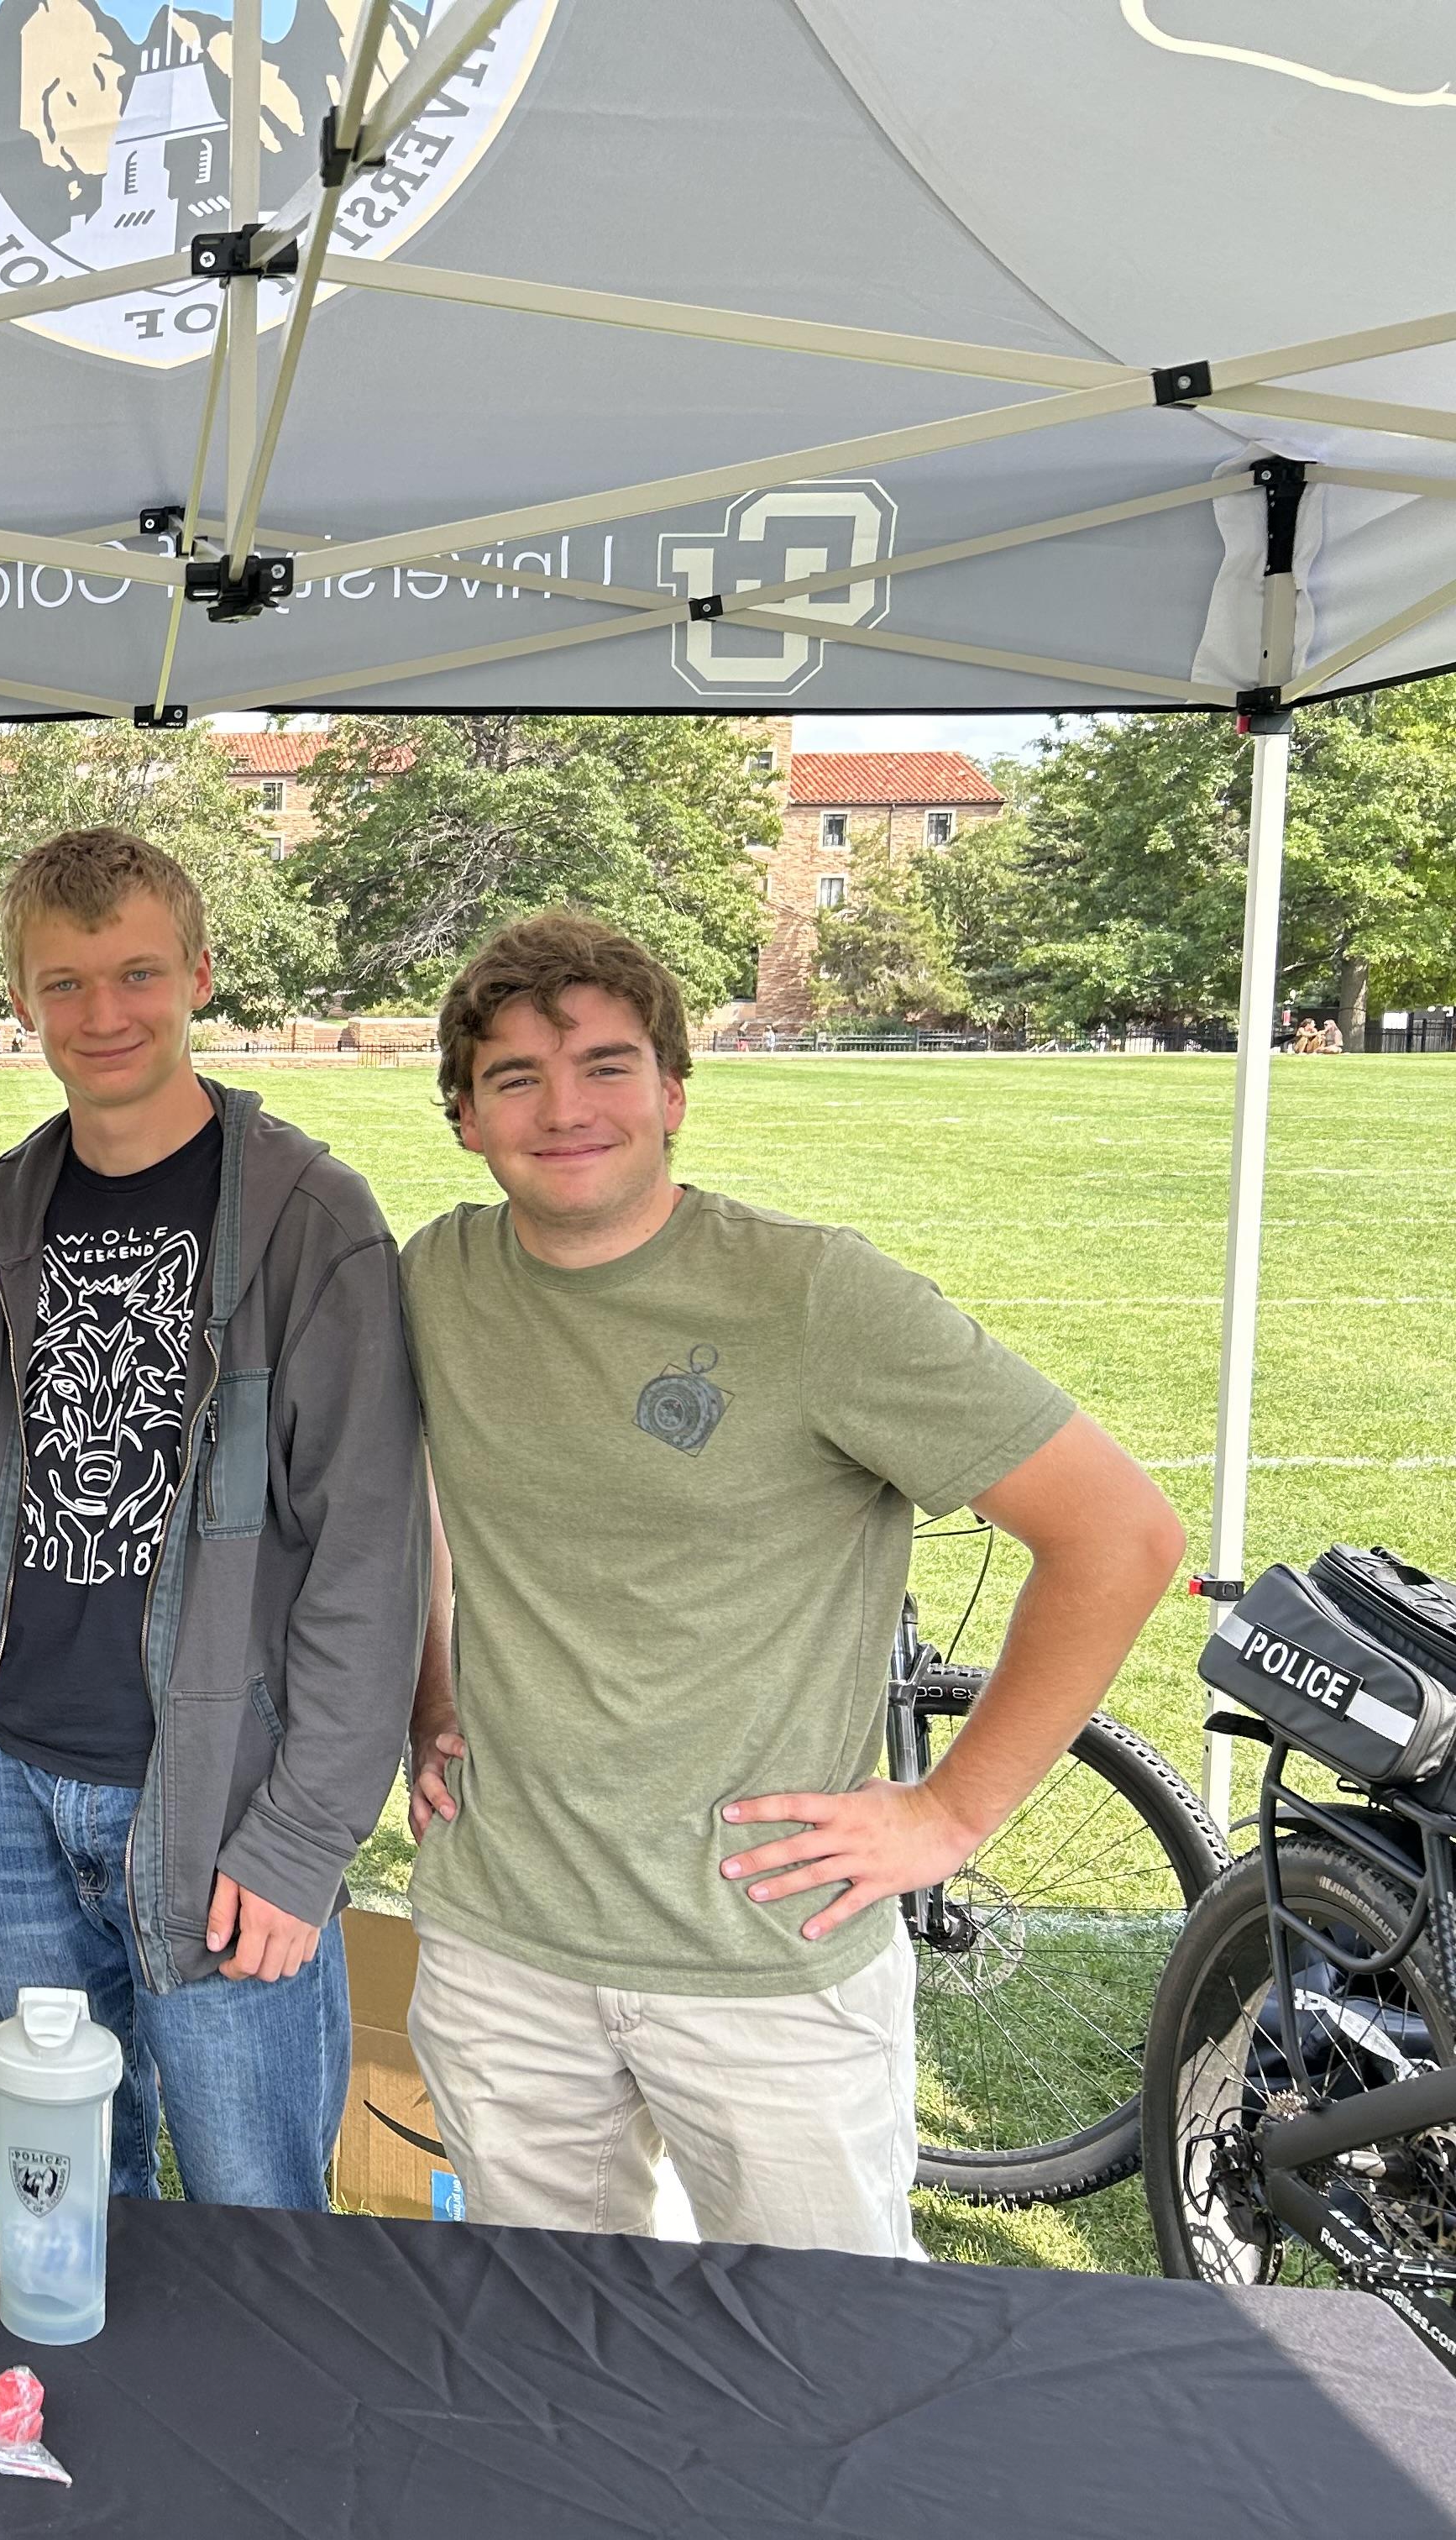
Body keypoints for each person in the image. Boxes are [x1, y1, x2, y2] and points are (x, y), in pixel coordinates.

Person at [397, 911, 1184, 2254]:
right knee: (552, 2362)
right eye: (515, 1077)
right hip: (503, 1947)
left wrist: (946, 1817)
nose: (565, 1107)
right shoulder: (436, 1281)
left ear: (674, 1094)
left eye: (605, 1064)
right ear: (466, 1118)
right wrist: (427, 1699)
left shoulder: (814, 1295)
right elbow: (407, 1506)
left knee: (833, 2375)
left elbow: (1118, 1534)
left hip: (765, 1957)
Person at [0, 828, 427, 2208]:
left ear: (200, 975)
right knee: (62, 2196)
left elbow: (371, 1554)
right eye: (63, 984)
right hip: (8, 1801)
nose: (102, 1015)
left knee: (254, 2204)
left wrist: (303, 1842)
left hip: (223, 1804)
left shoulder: (311, 1223)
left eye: (135, 974)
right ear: (20, 999)